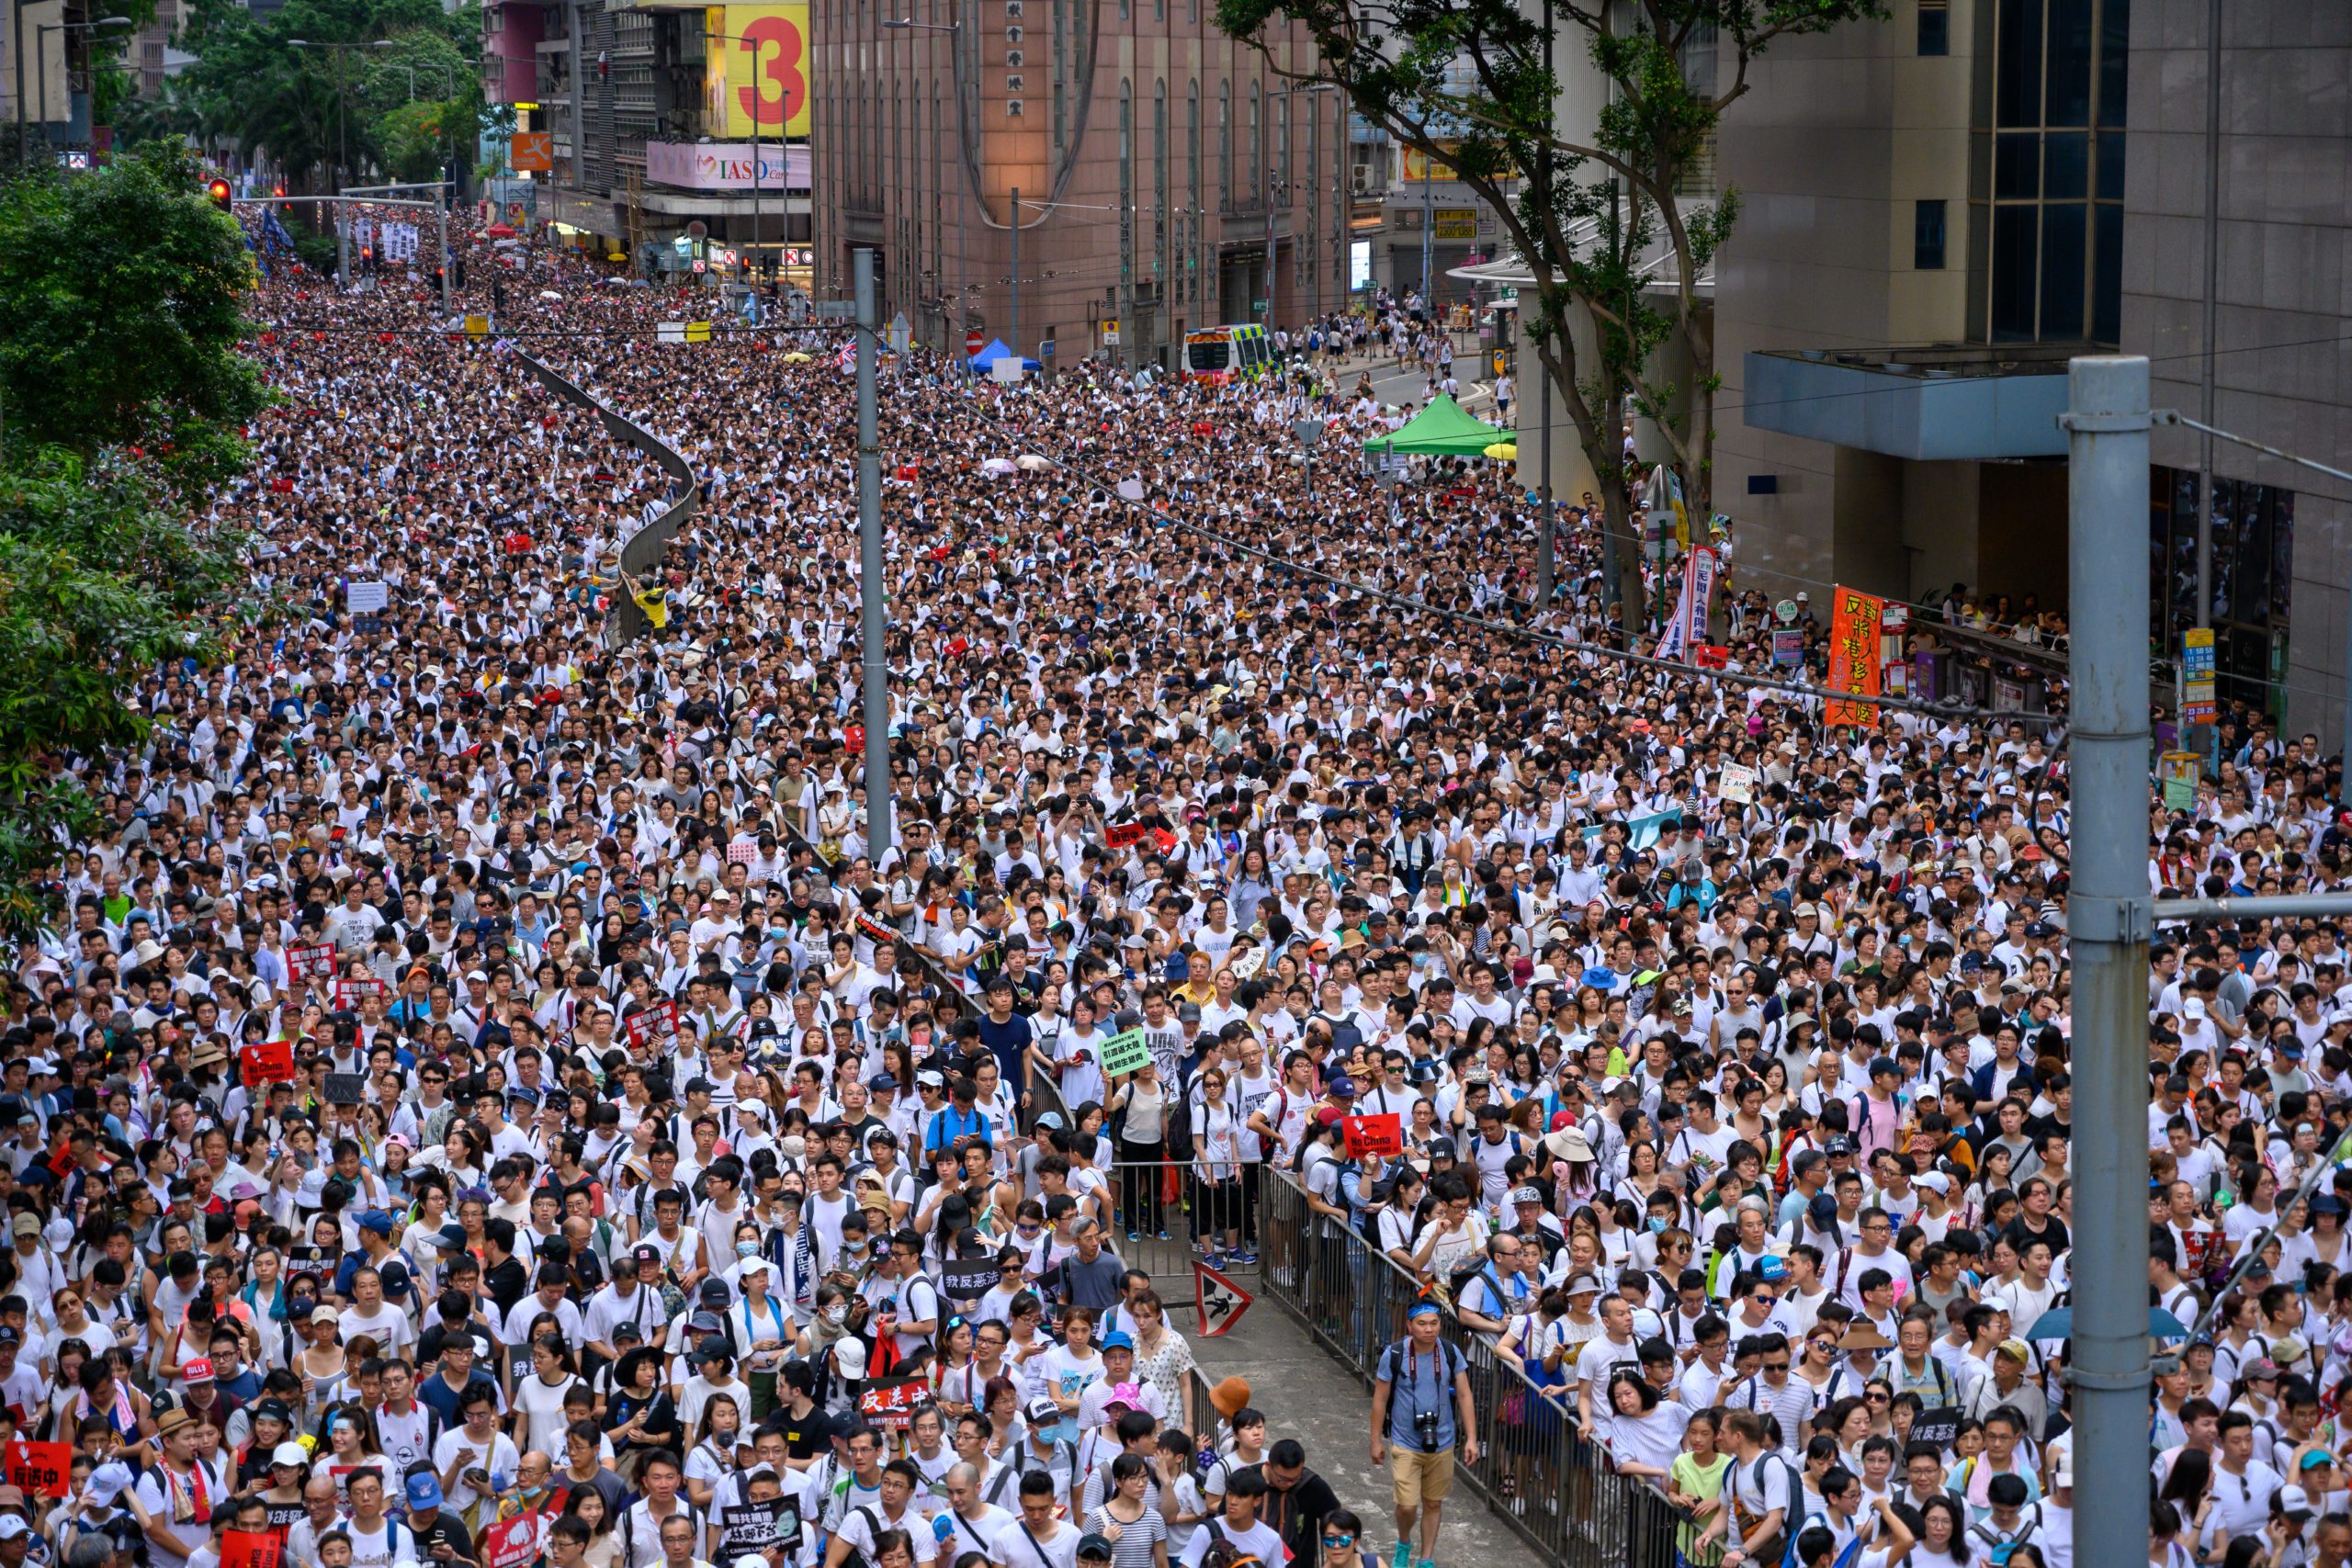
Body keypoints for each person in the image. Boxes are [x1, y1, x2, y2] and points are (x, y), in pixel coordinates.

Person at [1367, 1301, 1476, 1568]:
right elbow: (1380, 1399)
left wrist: (1472, 1437)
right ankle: (1404, 1541)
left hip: (1443, 1440)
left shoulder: (1449, 1352)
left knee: (1433, 1503)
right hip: (1405, 1440)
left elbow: (1464, 1395)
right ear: (1409, 1325)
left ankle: (1426, 1559)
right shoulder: (1394, 1354)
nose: (1429, 1330)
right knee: (1406, 1506)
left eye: (1434, 1323)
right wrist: (1375, 1441)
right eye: (1422, 1324)